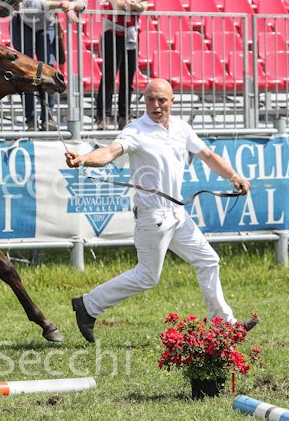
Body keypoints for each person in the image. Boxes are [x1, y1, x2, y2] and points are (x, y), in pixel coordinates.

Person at [64, 79, 259, 344]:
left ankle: (224, 324)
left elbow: (208, 156)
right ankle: (88, 305)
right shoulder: (136, 130)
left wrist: (234, 176)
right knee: (147, 277)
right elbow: (110, 152)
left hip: (177, 213)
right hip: (152, 216)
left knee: (208, 260)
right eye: (150, 100)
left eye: (162, 100)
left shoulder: (181, 128)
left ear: (172, 101)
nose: (156, 105)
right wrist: (84, 159)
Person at [17, 0, 85, 131]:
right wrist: (60, 5)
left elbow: (81, 0)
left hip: (47, 24)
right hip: (24, 23)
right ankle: (30, 119)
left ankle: (48, 118)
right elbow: (29, 1)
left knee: (48, 70)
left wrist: (71, 5)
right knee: (27, 71)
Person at [94, 0, 155, 131]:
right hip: (113, 32)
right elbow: (116, 4)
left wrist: (133, 3)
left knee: (128, 77)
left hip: (131, 34)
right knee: (109, 76)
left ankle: (124, 115)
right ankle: (103, 115)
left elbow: (144, 7)